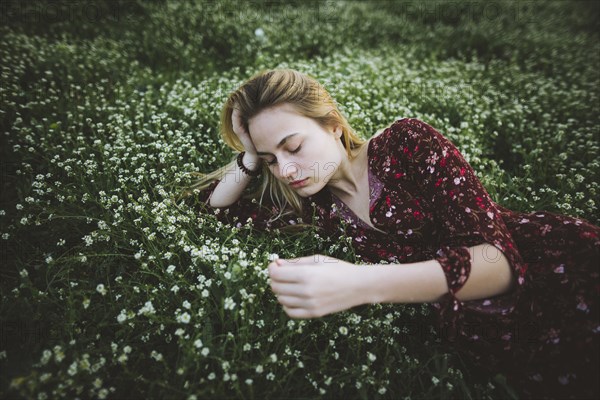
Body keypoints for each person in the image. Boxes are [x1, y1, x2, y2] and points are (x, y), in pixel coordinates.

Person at [177, 68, 600, 399]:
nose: (286, 170)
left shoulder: (407, 143)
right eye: (272, 159)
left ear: (332, 126)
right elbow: (216, 207)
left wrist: (362, 283)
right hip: (490, 329)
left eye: (293, 146)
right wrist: (250, 155)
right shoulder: (318, 207)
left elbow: (499, 264)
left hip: (556, 266)